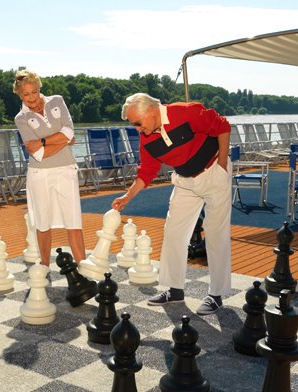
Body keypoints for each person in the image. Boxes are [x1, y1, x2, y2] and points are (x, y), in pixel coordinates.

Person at [111, 93, 232, 316]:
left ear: (151, 110)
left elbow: (223, 126)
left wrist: (222, 165)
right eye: (133, 125)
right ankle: (175, 289)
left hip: (213, 171)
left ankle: (216, 294)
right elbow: (146, 172)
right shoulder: (147, 139)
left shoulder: (187, 112)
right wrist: (126, 197)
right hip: (185, 181)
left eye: (137, 123)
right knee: (173, 232)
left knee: (216, 233)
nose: (136, 129)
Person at [12, 69, 86, 268]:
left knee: (74, 222)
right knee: (42, 223)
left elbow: (70, 132)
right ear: (19, 95)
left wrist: (42, 141)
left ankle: (84, 266)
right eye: (25, 94)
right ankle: (44, 266)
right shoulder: (21, 118)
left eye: (34, 92)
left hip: (66, 170)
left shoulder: (57, 101)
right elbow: (38, 154)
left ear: (39, 88)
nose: (31, 98)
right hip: (39, 174)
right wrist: (61, 139)